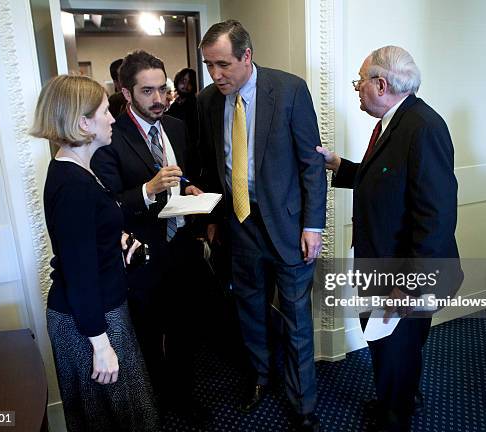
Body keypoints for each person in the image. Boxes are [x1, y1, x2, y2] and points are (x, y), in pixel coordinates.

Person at [317, 46, 463, 432]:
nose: (357, 90)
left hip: (401, 273)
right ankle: (397, 399)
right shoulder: (395, 122)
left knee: (397, 347)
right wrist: (340, 167)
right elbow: (384, 178)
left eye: (359, 83)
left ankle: (395, 417)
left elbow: (435, 217)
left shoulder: (423, 127)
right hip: (380, 263)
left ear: (381, 84)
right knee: (390, 345)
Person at [197, 20, 326, 432]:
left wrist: (313, 226)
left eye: (223, 65)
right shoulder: (207, 101)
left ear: (246, 56)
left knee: (295, 319)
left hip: (288, 227)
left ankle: (303, 404)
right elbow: (212, 164)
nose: (216, 75)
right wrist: (215, 219)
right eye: (208, 66)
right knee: (249, 308)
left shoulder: (288, 91)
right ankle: (260, 377)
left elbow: (311, 165)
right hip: (240, 221)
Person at [31, 75, 159, 431]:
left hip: (97, 312)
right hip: (88, 321)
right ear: (83, 122)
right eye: (105, 111)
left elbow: (87, 235)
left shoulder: (76, 169)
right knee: (115, 420)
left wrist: (115, 239)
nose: (113, 118)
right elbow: (79, 273)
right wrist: (100, 345)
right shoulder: (73, 185)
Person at [90, 50, 207, 426]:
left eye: (163, 89)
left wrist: (188, 189)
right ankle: (154, 402)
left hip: (182, 248)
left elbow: (179, 174)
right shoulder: (109, 136)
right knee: (148, 336)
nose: (159, 100)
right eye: (147, 92)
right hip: (142, 257)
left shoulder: (175, 126)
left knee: (185, 331)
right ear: (126, 94)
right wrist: (147, 189)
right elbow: (107, 206)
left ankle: (183, 396)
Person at [167, 68, 199, 146]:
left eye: (190, 82)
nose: (186, 86)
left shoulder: (194, 104)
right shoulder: (176, 104)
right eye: (183, 81)